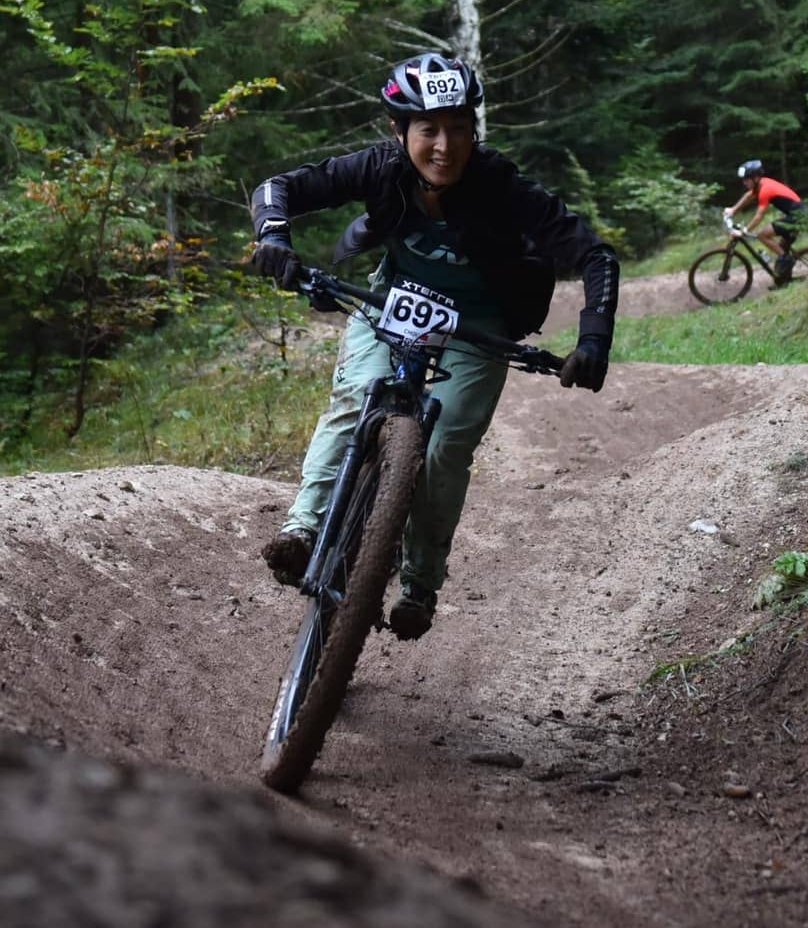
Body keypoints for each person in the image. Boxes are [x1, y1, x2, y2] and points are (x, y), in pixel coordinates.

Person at [247, 53, 619, 640]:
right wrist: (274, 237)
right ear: (400, 132)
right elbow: (279, 188)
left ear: (474, 130)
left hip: (479, 323)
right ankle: (301, 533)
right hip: (392, 298)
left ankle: (420, 584)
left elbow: (595, 255)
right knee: (353, 403)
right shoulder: (379, 167)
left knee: (444, 447)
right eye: (428, 130)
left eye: (459, 128)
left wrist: (594, 336)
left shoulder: (501, 184)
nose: (444, 146)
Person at [724, 159, 805, 283]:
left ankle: (786, 259)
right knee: (782, 246)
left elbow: (759, 217)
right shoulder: (762, 184)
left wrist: (744, 231)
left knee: (762, 235)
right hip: (796, 215)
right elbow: (748, 196)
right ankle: (784, 281)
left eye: (746, 179)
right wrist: (733, 210)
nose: (744, 183)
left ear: (755, 178)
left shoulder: (766, 190)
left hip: (798, 217)